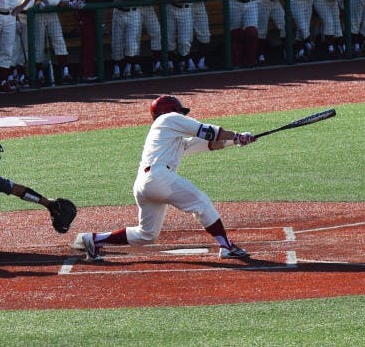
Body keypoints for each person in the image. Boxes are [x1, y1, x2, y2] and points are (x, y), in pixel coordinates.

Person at [74, 95, 255, 261]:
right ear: (169, 111)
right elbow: (208, 132)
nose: (182, 116)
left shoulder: (168, 136)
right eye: (180, 112)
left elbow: (208, 144)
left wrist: (236, 141)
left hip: (145, 184)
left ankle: (93, 239)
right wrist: (237, 135)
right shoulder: (167, 119)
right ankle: (226, 246)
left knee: (147, 234)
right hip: (159, 177)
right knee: (201, 202)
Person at [79, 0, 114, 81]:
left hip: (100, 14)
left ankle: (99, 72)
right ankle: (86, 73)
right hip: (86, 13)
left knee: (98, 42)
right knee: (88, 43)